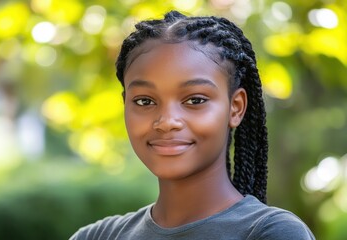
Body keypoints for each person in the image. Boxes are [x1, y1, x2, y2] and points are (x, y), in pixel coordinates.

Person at [70, 10, 315, 239]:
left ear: (236, 107)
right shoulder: (97, 236)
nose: (167, 122)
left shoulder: (271, 233)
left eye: (195, 100)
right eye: (145, 101)